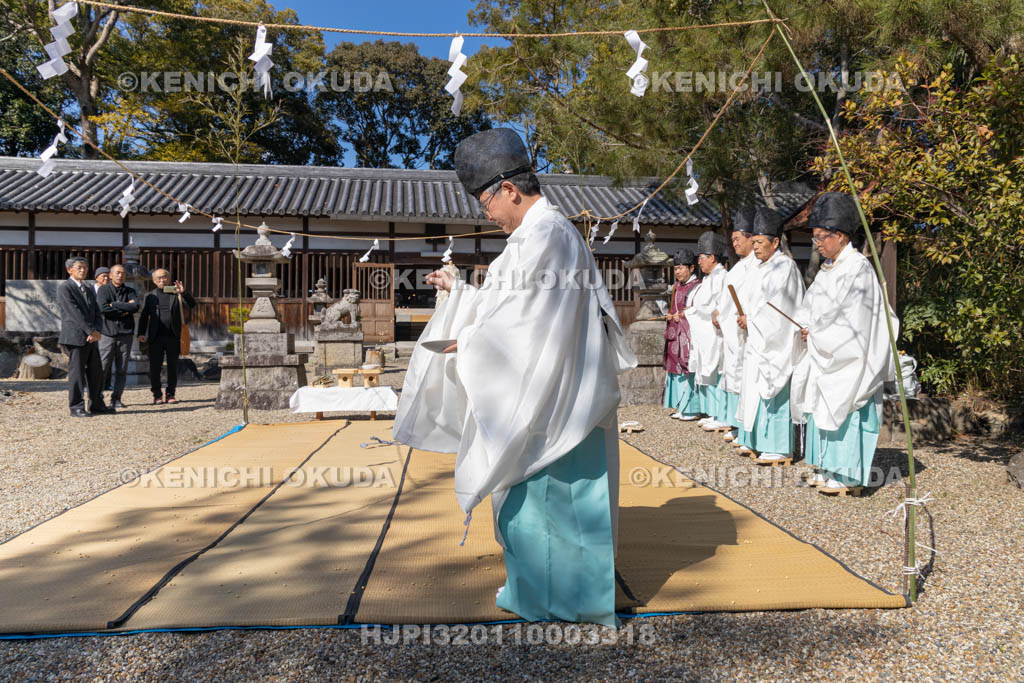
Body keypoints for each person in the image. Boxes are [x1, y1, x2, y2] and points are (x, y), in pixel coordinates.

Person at [393, 128, 636, 627]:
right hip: (551, 390)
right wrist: (461, 293)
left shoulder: (548, 236)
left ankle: (565, 600)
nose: (486, 214)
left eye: (485, 202)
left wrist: (472, 342)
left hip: (556, 398)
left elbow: (529, 324)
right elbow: (505, 307)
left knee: (555, 500)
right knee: (538, 505)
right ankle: (540, 593)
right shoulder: (534, 237)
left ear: (509, 189)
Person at [791, 192, 897, 491]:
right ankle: (826, 464)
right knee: (821, 404)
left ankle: (848, 474)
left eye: (820, 237)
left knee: (846, 406)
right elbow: (811, 307)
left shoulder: (858, 269)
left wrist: (818, 333)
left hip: (849, 356)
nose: (817, 243)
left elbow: (856, 322)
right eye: (814, 237)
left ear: (839, 235)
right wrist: (806, 327)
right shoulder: (828, 269)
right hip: (824, 349)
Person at [735, 207, 805, 462]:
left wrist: (752, 321)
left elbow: (779, 310)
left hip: (776, 341)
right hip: (756, 337)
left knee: (773, 388)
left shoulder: (785, 267)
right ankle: (756, 440)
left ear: (775, 242)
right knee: (754, 387)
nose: (755, 247)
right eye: (753, 242)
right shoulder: (759, 268)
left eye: (760, 242)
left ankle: (780, 446)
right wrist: (746, 318)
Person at [714, 205, 758, 445]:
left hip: (745, 332)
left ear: (752, 238)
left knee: (743, 377)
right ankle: (735, 422)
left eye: (739, 238)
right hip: (731, 330)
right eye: (732, 239)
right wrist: (719, 312)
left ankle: (744, 427)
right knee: (732, 374)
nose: (735, 243)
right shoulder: (739, 267)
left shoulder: (757, 266)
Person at [56, 257, 113, 417]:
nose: (83, 270)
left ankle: (97, 404)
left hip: (92, 337)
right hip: (75, 336)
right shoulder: (65, 288)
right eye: (79, 267)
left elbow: (97, 311)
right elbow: (73, 312)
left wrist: (96, 330)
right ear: (69, 270)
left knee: (96, 372)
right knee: (77, 373)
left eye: (85, 267)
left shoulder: (88, 288)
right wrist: (90, 331)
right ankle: (76, 406)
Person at [685, 230, 730, 432]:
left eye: (701, 257)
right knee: (707, 371)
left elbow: (722, 304)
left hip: (716, 334)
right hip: (705, 334)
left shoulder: (722, 277)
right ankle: (713, 412)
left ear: (712, 257)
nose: (699, 262)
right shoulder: (709, 278)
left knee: (717, 371)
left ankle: (722, 414)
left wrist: (716, 314)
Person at [137, 269, 195, 405]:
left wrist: (184, 293)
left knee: (173, 366)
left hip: (173, 336)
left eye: (164, 277)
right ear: (154, 281)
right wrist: (141, 333)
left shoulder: (176, 293)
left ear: (169, 278)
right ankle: (157, 394)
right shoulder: (150, 296)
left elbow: (192, 304)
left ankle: (170, 393)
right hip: (155, 337)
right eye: (159, 278)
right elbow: (144, 316)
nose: (162, 280)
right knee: (155, 367)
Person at [663, 247, 702, 420]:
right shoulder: (676, 287)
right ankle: (680, 406)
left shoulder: (698, 287)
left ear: (691, 268)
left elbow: (699, 311)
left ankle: (691, 409)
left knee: (688, 366)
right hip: (675, 333)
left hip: (688, 335)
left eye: (681, 268)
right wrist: (670, 315)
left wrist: (684, 316)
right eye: (675, 268)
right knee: (675, 369)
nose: (677, 272)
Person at [97, 264, 139, 409]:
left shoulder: (130, 291)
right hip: (107, 333)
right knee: (103, 367)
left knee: (122, 369)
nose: (120, 275)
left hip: (125, 334)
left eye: (122, 273)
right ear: (110, 275)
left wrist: (114, 304)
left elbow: (135, 307)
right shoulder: (103, 290)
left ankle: (116, 398)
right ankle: (97, 397)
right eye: (117, 273)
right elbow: (103, 308)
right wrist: (125, 308)